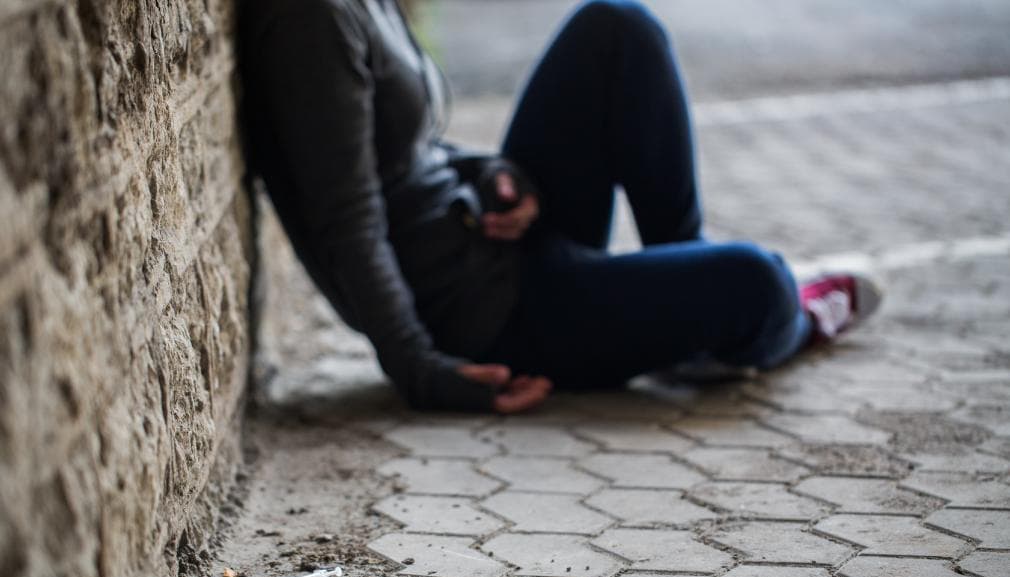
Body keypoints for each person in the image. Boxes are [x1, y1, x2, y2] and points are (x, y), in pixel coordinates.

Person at [237, 0, 881, 414]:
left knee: (616, 27)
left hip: (495, 233)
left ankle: (687, 299)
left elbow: (410, 154)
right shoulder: (308, 17)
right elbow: (346, 218)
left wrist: (494, 174)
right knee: (759, 283)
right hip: (491, 315)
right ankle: (788, 319)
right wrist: (422, 371)